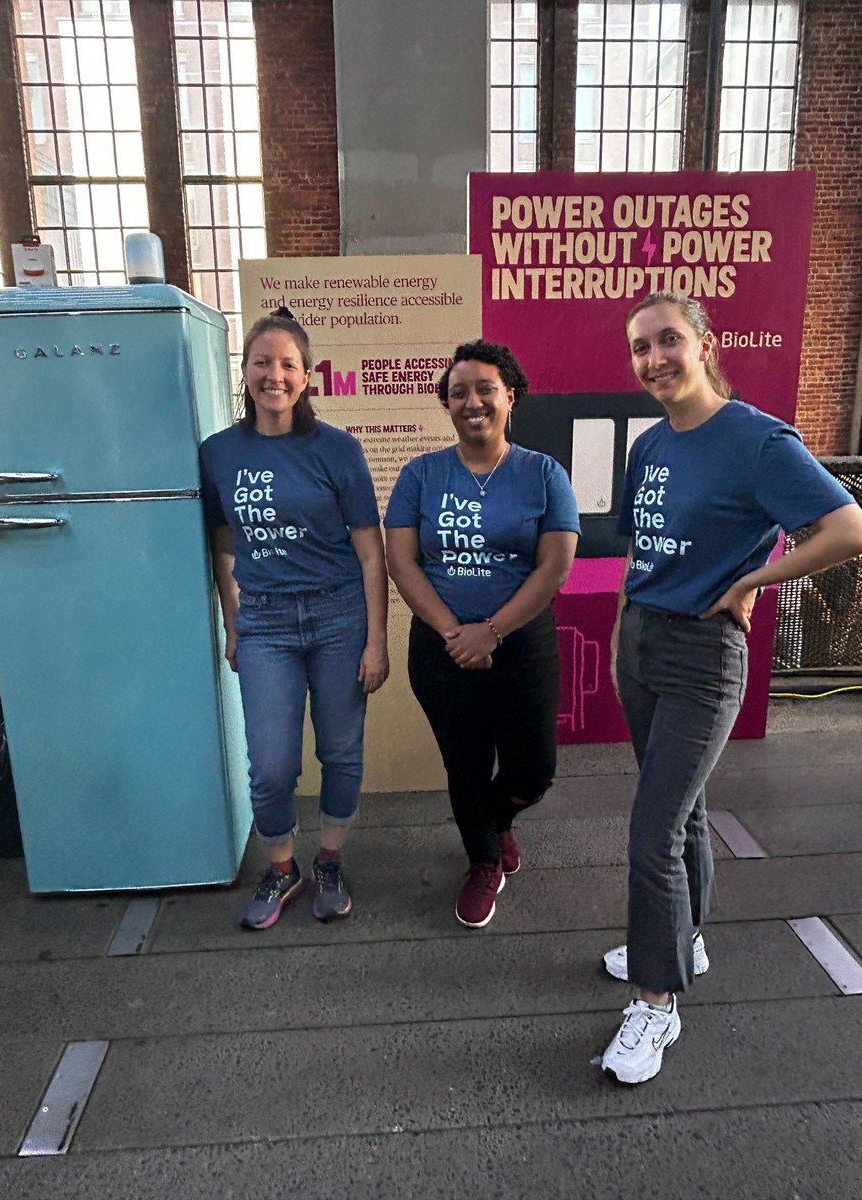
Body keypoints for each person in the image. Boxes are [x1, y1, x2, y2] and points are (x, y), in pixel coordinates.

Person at [601, 290, 862, 1084]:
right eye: (641, 348)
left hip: (706, 656)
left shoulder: (755, 442)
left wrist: (755, 577)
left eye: (669, 341)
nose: (654, 360)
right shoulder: (648, 447)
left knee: (654, 830)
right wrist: (621, 627)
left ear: (705, 345)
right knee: (681, 813)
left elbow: (848, 527)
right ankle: (687, 940)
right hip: (643, 641)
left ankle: (656, 1003)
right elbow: (641, 554)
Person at [199, 306, 388, 929]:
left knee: (341, 751)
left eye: (287, 364)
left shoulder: (337, 449)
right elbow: (223, 544)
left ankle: (329, 860)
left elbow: (369, 550)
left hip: (338, 616)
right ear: (244, 372)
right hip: (267, 624)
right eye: (261, 362)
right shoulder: (219, 453)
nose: (273, 375)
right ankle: (283, 868)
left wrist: (376, 639)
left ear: (307, 377)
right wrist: (234, 624)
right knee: (273, 763)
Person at [384, 339, 580, 928]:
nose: (472, 401)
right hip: (442, 651)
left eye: (485, 389)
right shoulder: (421, 473)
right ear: (446, 403)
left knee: (534, 770)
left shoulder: (543, 473)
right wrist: (455, 633)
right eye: (459, 391)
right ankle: (483, 859)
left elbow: (555, 566)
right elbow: (402, 560)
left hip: (523, 646)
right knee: (465, 764)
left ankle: (496, 823)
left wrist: (491, 631)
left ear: (509, 396)